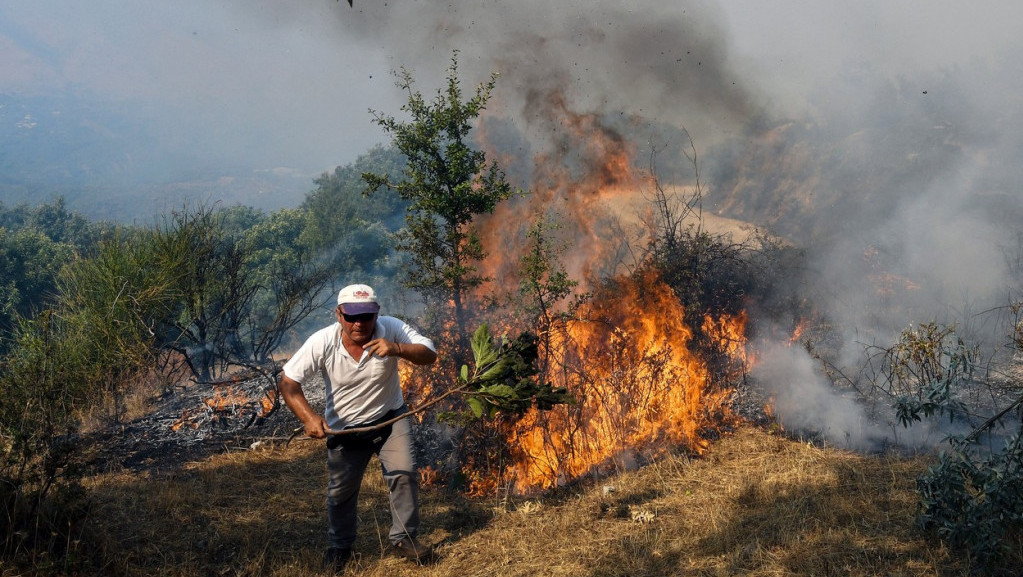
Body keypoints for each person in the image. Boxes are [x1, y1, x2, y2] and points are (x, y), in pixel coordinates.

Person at [279, 284, 438, 571]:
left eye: (366, 316)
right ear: (338, 315)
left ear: (377, 313)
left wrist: (397, 349)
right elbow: (289, 382)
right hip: (346, 430)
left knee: (403, 474)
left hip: (390, 420)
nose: (359, 323)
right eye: (351, 316)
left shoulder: (390, 328)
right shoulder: (322, 342)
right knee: (341, 491)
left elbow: (429, 354)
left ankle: (404, 538)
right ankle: (340, 547)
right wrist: (308, 418)